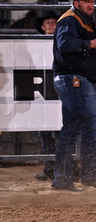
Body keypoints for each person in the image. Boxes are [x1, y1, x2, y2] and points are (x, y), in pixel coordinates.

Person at [51, 0, 96, 191]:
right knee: (91, 121)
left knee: (73, 126)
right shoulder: (70, 20)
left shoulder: (79, 20)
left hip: (75, 80)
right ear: (76, 2)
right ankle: (88, 174)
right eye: (87, 1)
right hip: (73, 79)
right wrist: (90, 44)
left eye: (92, 1)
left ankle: (64, 178)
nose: (91, 4)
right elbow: (64, 45)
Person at [34, 11, 59, 181]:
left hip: (57, 89)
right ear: (43, 27)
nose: (51, 25)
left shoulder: (63, 41)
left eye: (54, 22)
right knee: (45, 133)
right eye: (47, 22)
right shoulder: (35, 45)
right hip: (42, 90)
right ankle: (50, 166)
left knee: (61, 132)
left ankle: (64, 166)